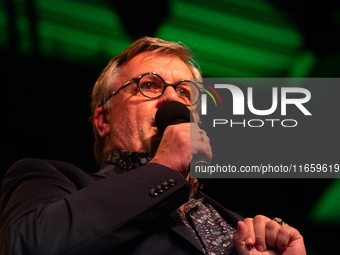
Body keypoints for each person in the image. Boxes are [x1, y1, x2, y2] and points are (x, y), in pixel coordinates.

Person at [0, 37, 306, 255]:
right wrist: (165, 168)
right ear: (103, 119)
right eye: (149, 85)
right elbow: (28, 245)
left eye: (186, 93)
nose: (172, 100)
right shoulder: (49, 179)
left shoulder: (243, 227)